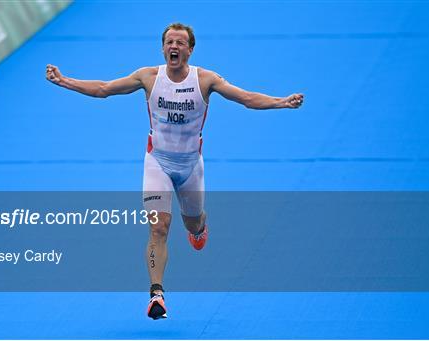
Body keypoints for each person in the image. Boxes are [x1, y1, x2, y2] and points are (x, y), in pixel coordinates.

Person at [46, 22, 304, 320]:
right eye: (170, 41)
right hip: (157, 162)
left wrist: (281, 102)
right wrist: (64, 81)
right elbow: (104, 89)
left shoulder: (206, 80)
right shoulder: (148, 77)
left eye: (180, 43)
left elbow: (245, 98)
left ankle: (199, 229)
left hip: (191, 166)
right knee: (158, 228)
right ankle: (157, 294)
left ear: (190, 50)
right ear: (162, 47)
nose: (174, 47)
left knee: (192, 224)